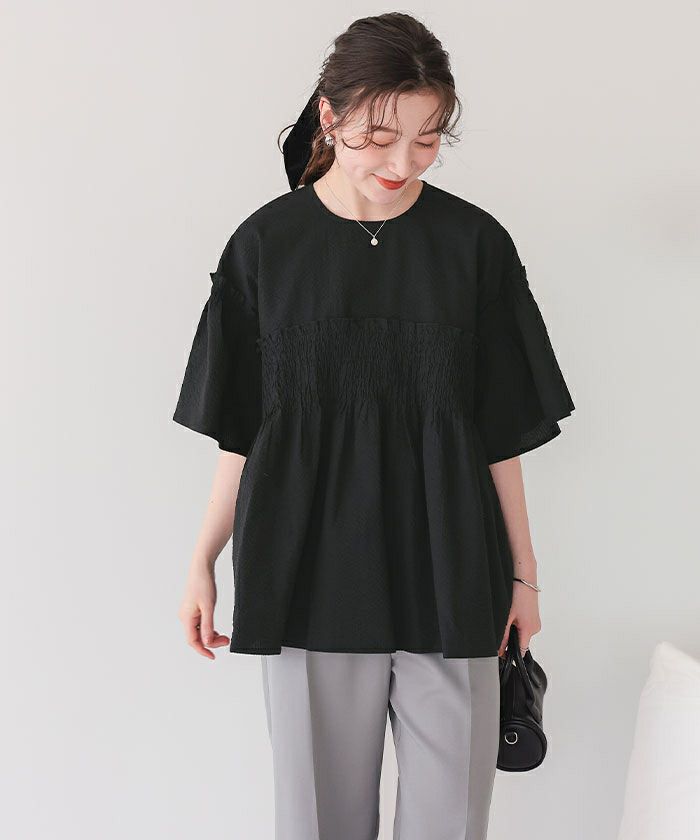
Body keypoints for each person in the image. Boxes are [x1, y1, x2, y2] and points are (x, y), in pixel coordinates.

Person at [172, 12, 575, 840]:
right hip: (307, 569)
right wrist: (201, 558)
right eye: (379, 137)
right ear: (330, 116)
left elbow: (500, 434)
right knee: (317, 824)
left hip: (453, 570)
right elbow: (242, 432)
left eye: (427, 140)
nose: (401, 164)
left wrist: (524, 578)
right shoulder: (266, 246)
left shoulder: (474, 244)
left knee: (450, 824)